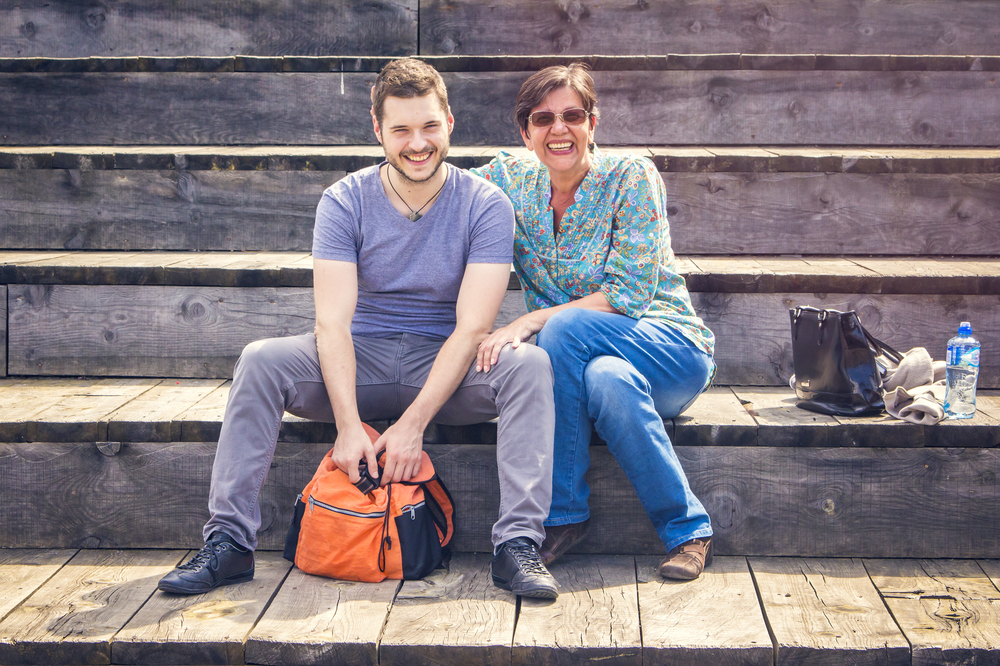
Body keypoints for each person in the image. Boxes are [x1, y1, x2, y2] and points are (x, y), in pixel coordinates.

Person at [158, 58, 559, 599]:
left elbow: (472, 329)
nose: (418, 144)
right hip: (359, 356)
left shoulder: (485, 204)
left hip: (442, 363)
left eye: (429, 127)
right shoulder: (344, 200)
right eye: (401, 130)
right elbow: (332, 322)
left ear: (450, 122)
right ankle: (229, 542)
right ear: (378, 130)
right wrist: (349, 427)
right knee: (259, 359)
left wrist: (414, 425)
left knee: (530, 366)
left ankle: (517, 546)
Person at [472, 64, 717, 580]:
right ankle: (688, 531)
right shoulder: (507, 180)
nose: (558, 129)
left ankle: (560, 512)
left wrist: (534, 318)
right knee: (607, 381)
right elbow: (441, 190)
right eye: (543, 119)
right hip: (589, 368)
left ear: (593, 122)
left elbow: (628, 294)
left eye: (572, 116)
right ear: (525, 132)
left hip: (667, 347)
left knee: (558, 332)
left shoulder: (631, 177)